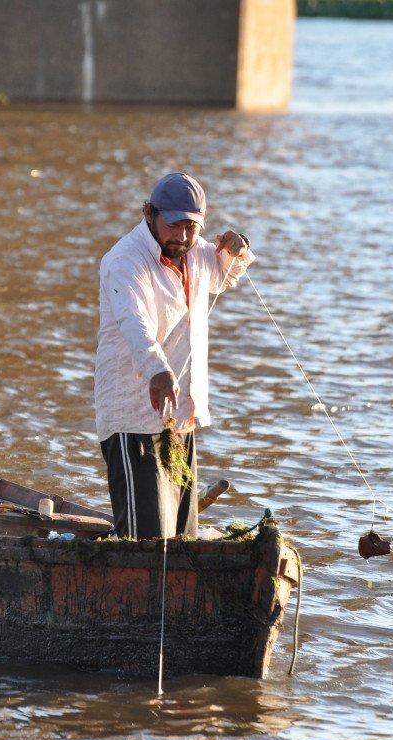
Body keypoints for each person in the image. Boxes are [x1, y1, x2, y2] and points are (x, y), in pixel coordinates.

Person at [94, 172, 254, 539]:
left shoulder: (195, 254)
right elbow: (133, 321)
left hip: (179, 413)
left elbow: (224, 276)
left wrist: (237, 248)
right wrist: (156, 370)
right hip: (133, 416)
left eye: (191, 227)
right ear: (149, 213)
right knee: (144, 541)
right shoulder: (125, 260)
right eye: (173, 226)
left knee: (183, 538)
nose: (181, 237)